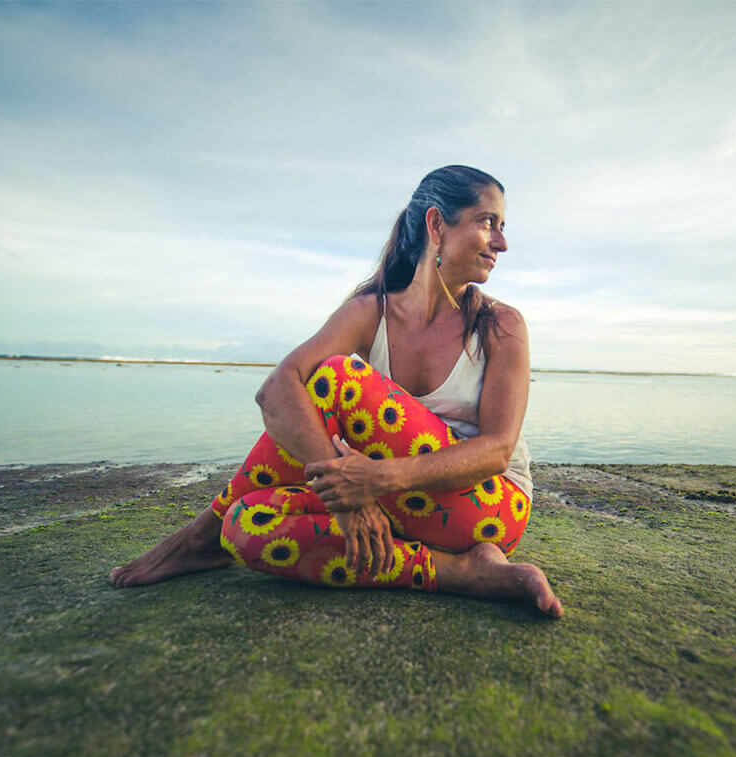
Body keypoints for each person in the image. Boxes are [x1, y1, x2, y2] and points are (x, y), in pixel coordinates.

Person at [110, 165, 563, 618]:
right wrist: (348, 499)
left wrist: (375, 481)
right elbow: (276, 390)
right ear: (436, 225)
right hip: (398, 507)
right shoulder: (370, 313)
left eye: (502, 227)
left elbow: (497, 451)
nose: (501, 243)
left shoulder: (501, 326)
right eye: (488, 223)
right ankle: (459, 572)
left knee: (335, 379)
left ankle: (197, 538)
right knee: (244, 524)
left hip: (484, 507)